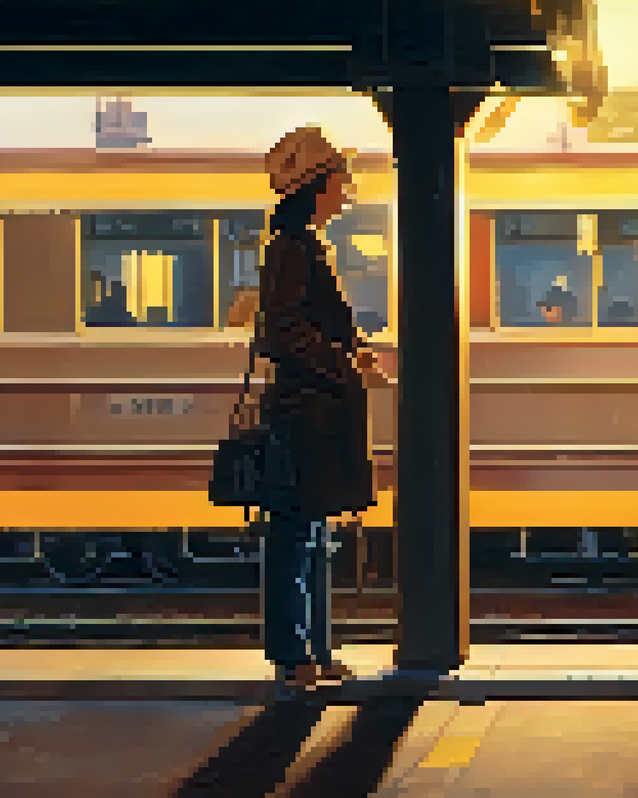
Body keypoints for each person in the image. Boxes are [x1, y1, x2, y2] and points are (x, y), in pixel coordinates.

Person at [256, 125, 391, 690]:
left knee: (311, 535)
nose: (348, 188)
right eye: (342, 178)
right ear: (319, 186)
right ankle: (295, 655)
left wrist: (351, 351)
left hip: (312, 412)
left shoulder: (304, 245)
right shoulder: (293, 250)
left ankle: (315, 649)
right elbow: (284, 331)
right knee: (297, 536)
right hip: (303, 414)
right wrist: (345, 362)